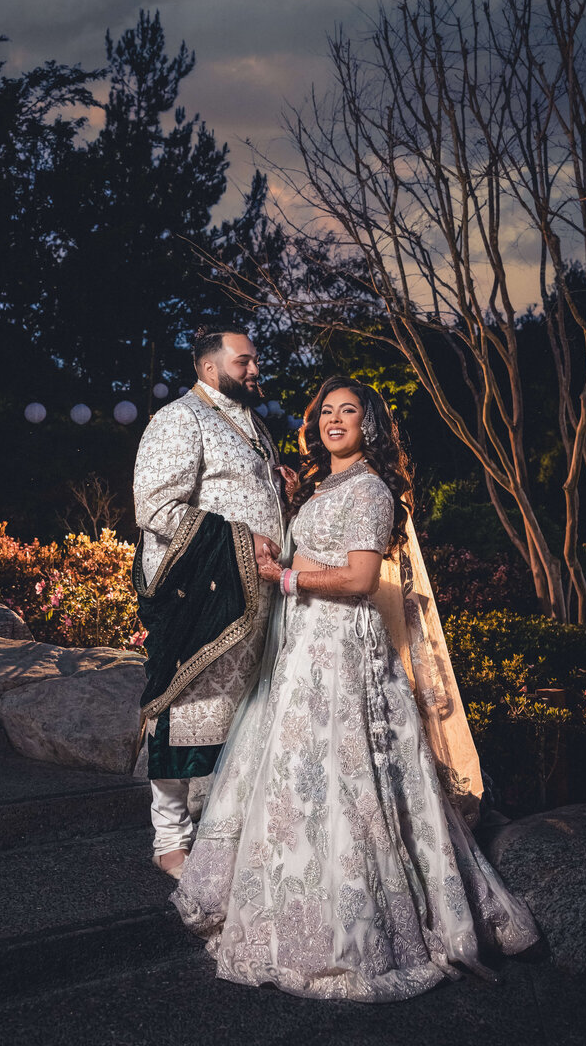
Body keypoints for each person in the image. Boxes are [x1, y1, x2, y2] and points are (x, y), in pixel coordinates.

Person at [171, 376, 540, 1002]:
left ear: (370, 425)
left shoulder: (370, 488)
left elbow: (363, 579)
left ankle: (353, 933)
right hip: (303, 647)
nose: (334, 420)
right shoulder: (325, 485)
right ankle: (286, 910)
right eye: (326, 412)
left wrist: (282, 576)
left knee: (346, 779)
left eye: (349, 411)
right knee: (295, 777)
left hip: (342, 651)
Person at [133, 325, 293, 881]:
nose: (254, 370)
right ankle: (170, 840)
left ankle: (222, 830)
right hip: (203, 595)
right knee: (186, 711)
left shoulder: (255, 426)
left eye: (254, 361)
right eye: (244, 362)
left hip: (258, 597)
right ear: (208, 368)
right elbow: (154, 507)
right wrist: (238, 541)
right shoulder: (180, 419)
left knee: (240, 717)